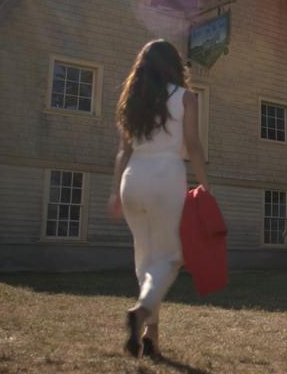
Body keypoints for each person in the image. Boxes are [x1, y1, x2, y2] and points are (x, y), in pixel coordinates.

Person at [107, 39, 209, 359]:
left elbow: (123, 151)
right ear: (175, 66)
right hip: (166, 176)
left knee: (146, 259)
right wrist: (204, 184)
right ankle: (141, 312)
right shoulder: (186, 97)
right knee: (169, 258)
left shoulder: (132, 100)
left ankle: (151, 335)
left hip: (132, 178)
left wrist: (115, 193)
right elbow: (192, 144)